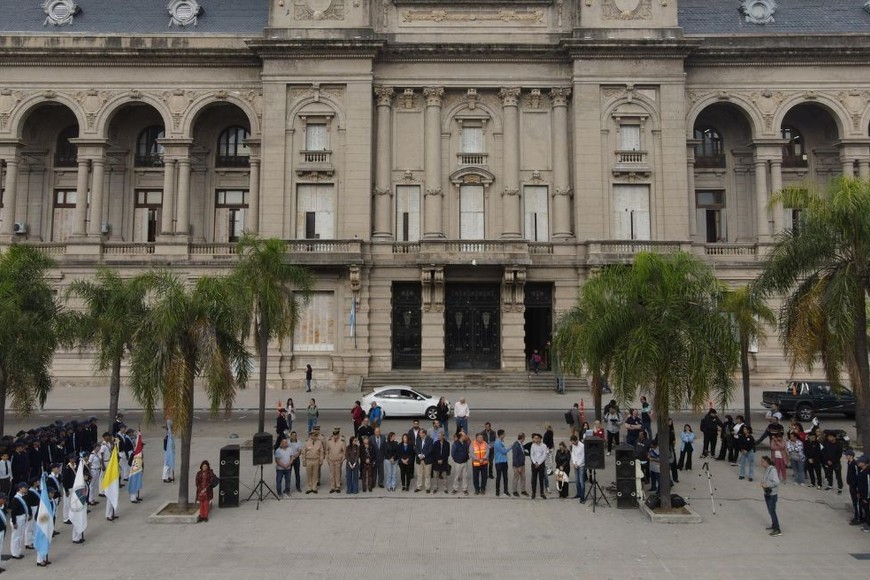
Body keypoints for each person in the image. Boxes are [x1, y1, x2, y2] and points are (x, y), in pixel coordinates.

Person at [760, 455, 782, 536]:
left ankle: (777, 529)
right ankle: (774, 525)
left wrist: (767, 485)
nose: (761, 463)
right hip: (767, 493)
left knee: (772, 511)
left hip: (772, 494)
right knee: (770, 510)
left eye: (763, 461)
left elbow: (777, 482)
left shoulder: (772, 470)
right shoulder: (766, 469)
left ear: (767, 462)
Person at [10, 481, 29, 560]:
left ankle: (18, 551)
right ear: (20, 489)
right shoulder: (16, 499)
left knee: (20, 535)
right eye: (25, 488)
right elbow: (13, 512)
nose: (26, 489)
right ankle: (14, 553)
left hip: (22, 518)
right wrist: (14, 522)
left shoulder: (22, 496)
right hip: (17, 519)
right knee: (16, 536)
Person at [302, 429, 324, 494]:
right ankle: (309, 487)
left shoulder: (319, 442)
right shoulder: (306, 442)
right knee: (309, 474)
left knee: (315, 474)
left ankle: (314, 487)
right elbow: (304, 452)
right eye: (312, 435)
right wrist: (304, 461)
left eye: (315, 435)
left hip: (316, 460)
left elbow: (321, 452)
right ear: (310, 435)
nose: (314, 436)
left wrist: (321, 460)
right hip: (308, 460)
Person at [325, 428, 346, 494]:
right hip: (331, 460)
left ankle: (337, 487)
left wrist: (342, 459)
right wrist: (327, 458)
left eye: (336, 435)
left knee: (337, 474)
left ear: (338, 434)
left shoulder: (342, 441)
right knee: (332, 474)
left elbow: (344, 451)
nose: (335, 436)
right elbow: (327, 450)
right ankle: (332, 487)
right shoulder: (329, 441)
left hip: (338, 460)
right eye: (334, 435)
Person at [529, 433, 548, 500]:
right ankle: (533, 493)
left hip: (541, 464)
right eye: (535, 438)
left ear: (540, 439)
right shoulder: (533, 445)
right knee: (534, 479)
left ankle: (542, 493)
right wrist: (535, 463)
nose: (535, 439)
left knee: (541, 479)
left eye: (537, 438)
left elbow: (544, 456)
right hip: (534, 464)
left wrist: (539, 463)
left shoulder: (544, 446)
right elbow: (532, 455)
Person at [414, 429, 433, 493]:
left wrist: (424, 455)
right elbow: (416, 448)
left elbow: (430, 450)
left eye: (420, 433)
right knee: (419, 474)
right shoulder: (418, 439)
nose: (419, 434)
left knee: (427, 474)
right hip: (419, 459)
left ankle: (427, 488)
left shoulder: (430, 440)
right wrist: (419, 455)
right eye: (419, 433)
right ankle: (419, 487)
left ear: (424, 434)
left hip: (427, 460)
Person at [845, 449, 861, 524]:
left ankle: (857, 518)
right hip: (851, 484)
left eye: (847, 455)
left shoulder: (854, 464)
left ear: (851, 456)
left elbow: (857, 475)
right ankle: (856, 516)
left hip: (855, 486)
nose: (846, 456)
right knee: (854, 501)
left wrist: (856, 485)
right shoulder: (849, 462)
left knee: (856, 502)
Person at [493, 429, 510, 497]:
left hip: (504, 461)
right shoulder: (497, 442)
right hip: (499, 462)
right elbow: (503, 452)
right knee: (499, 477)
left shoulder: (501, 441)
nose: (505, 435)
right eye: (504, 434)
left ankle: (505, 490)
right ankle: (497, 490)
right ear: (501, 435)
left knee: (505, 477)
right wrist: (510, 447)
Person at [511, 433, 528, 497]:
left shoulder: (520, 444)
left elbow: (522, 452)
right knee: (516, 478)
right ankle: (514, 491)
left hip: (522, 464)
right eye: (524, 437)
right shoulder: (516, 445)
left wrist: (527, 454)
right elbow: (514, 457)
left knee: (523, 478)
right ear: (523, 438)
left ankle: (523, 490)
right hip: (517, 466)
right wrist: (518, 467)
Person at [570, 435, 585, 502]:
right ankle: (578, 494)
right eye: (572, 443)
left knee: (581, 481)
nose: (573, 444)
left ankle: (582, 496)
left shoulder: (582, 446)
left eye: (574, 442)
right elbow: (573, 453)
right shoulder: (573, 445)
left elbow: (583, 457)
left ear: (576, 440)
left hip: (581, 465)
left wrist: (578, 464)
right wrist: (574, 462)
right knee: (577, 481)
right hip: (575, 464)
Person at [163, 418, 175, 483]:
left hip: (170, 451)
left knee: (170, 464)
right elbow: (169, 429)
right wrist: (168, 424)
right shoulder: (168, 436)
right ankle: (165, 477)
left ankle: (168, 476)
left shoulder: (169, 436)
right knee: (167, 464)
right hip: (167, 452)